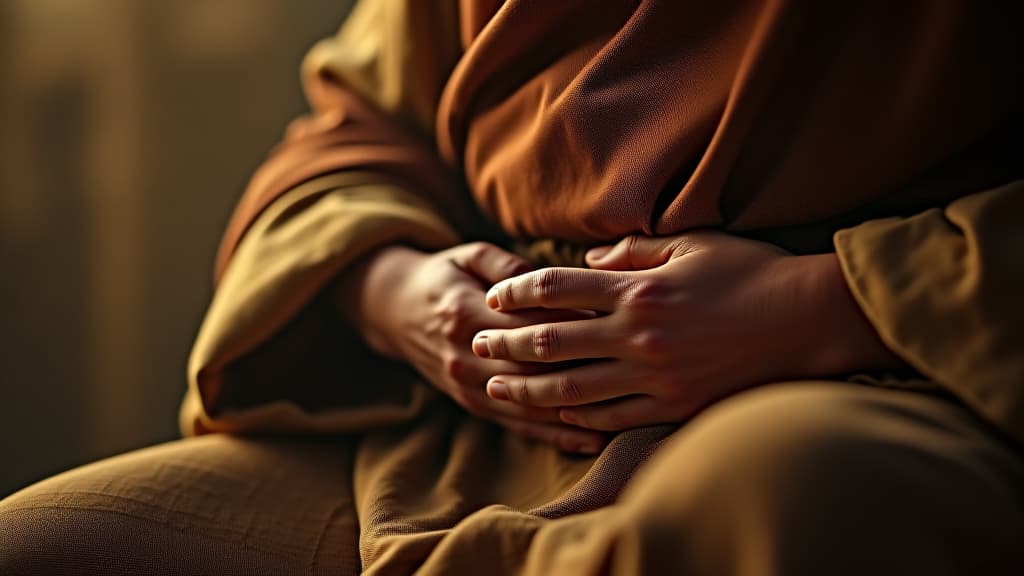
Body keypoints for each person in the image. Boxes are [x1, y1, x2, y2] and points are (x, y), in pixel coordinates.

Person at [2, 1, 1022, 574]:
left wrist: (816, 308)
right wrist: (399, 295)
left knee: (797, 495)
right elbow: (358, 129)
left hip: (890, 377)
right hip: (474, 431)